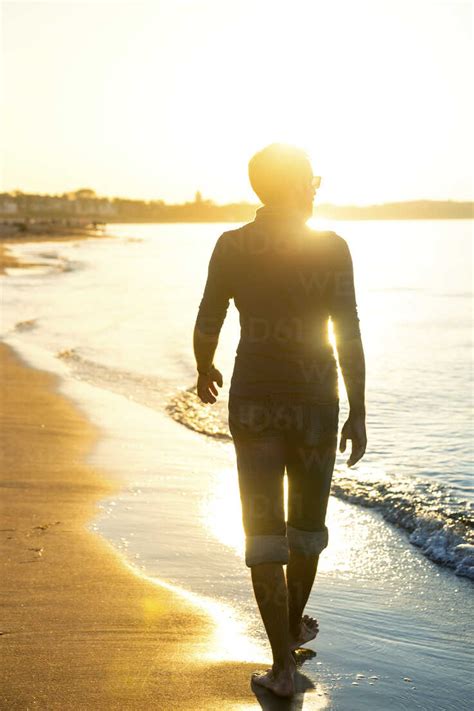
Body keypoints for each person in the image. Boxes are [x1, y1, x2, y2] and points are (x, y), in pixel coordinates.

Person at [193, 143, 367, 698]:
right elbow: (348, 332)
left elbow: (208, 314)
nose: (317, 189)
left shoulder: (232, 244)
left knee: (265, 535)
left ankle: (282, 663)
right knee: (306, 531)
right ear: (295, 186)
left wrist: (203, 367)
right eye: (311, 181)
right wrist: (359, 410)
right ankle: (290, 632)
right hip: (316, 404)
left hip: (255, 404)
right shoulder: (332, 248)